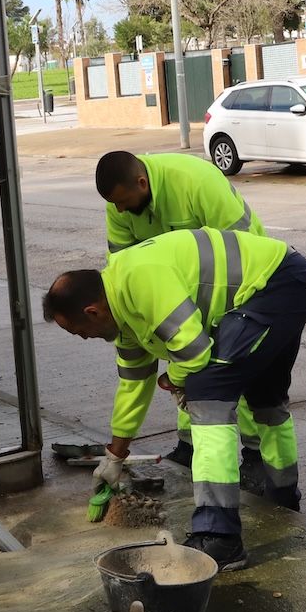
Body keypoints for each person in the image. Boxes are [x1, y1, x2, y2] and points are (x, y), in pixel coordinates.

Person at [43, 227, 306, 570]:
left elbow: (194, 351)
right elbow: (132, 386)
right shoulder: (123, 317)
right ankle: (283, 497)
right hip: (286, 281)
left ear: (92, 311)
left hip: (275, 284)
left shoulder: (138, 279)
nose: (83, 338)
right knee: (266, 398)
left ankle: (219, 536)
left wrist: (173, 380)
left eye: (78, 330)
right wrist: (115, 456)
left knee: (207, 395)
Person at [96, 150, 264, 471]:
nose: (118, 210)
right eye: (113, 204)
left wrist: (235, 313)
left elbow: (245, 244)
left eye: (123, 201)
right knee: (184, 358)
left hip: (238, 281)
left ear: (142, 183)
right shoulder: (118, 206)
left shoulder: (196, 182)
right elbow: (120, 268)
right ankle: (190, 443)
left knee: (233, 363)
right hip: (183, 289)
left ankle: (257, 456)